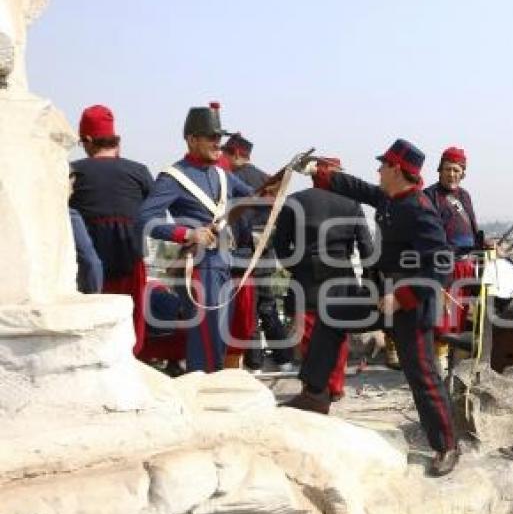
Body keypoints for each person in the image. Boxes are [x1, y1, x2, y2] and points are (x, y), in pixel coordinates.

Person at [283, 138, 459, 477]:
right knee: (332, 315)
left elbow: (442, 267)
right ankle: (316, 394)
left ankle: (446, 446)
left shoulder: (420, 209)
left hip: (409, 304)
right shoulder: (391, 198)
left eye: (383, 165)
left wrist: (404, 296)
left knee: (422, 376)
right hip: (381, 295)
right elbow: (358, 188)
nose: (377, 170)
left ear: (397, 170)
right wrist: (318, 172)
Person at [136, 104, 255, 372]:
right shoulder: (173, 176)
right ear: (192, 139)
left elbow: (257, 197)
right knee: (205, 339)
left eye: (219, 138)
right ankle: (202, 392)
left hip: (225, 263)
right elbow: (145, 219)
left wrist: (283, 181)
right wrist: (187, 233)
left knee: (220, 337)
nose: (218, 144)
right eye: (211, 137)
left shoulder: (223, 175)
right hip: (200, 266)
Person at [273, 158, 373, 401]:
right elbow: (367, 249)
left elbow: (280, 246)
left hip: (305, 278)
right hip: (342, 280)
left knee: (308, 337)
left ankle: (312, 390)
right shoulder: (352, 203)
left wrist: (297, 266)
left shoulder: (295, 201)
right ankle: (335, 387)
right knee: (338, 337)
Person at [70, 104, 154, 353]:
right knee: (131, 328)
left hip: (90, 268)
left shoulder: (73, 171)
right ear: (115, 138)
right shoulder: (138, 171)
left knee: (93, 332)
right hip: (132, 262)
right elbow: (155, 212)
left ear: (87, 139)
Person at [221, 133, 291, 369]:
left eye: (226, 153)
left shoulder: (229, 179)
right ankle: (284, 359)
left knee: (247, 310)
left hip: (241, 255)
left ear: (237, 154)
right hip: (265, 253)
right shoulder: (267, 179)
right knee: (267, 306)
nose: (222, 157)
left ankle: (254, 361)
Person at [423, 146, 480, 375]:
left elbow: (472, 229)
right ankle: (438, 369)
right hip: (443, 266)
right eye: (448, 169)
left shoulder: (464, 196)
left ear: (463, 172)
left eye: (457, 170)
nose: (452, 174)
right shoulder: (429, 196)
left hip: (466, 265)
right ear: (440, 170)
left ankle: (454, 369)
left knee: (460, 318)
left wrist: (483, 243)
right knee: (443, 319)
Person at [68, 171, 103, 294]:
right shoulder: (69, 215)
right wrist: (94, 296)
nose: (71, 192)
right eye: (70, 186)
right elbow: (91, 262)